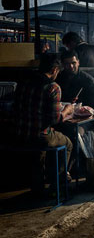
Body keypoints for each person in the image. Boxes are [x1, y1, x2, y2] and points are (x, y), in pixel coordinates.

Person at [12, 54, 74, 194]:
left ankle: (38, 188)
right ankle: (58, 184)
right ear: (54, 70)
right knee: (68, 143)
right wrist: (67, 110)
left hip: (19, 134)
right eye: (58, 71)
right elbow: (55, 119)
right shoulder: (53, 87)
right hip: (40, 137)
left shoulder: (24, 82)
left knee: (40, 149)